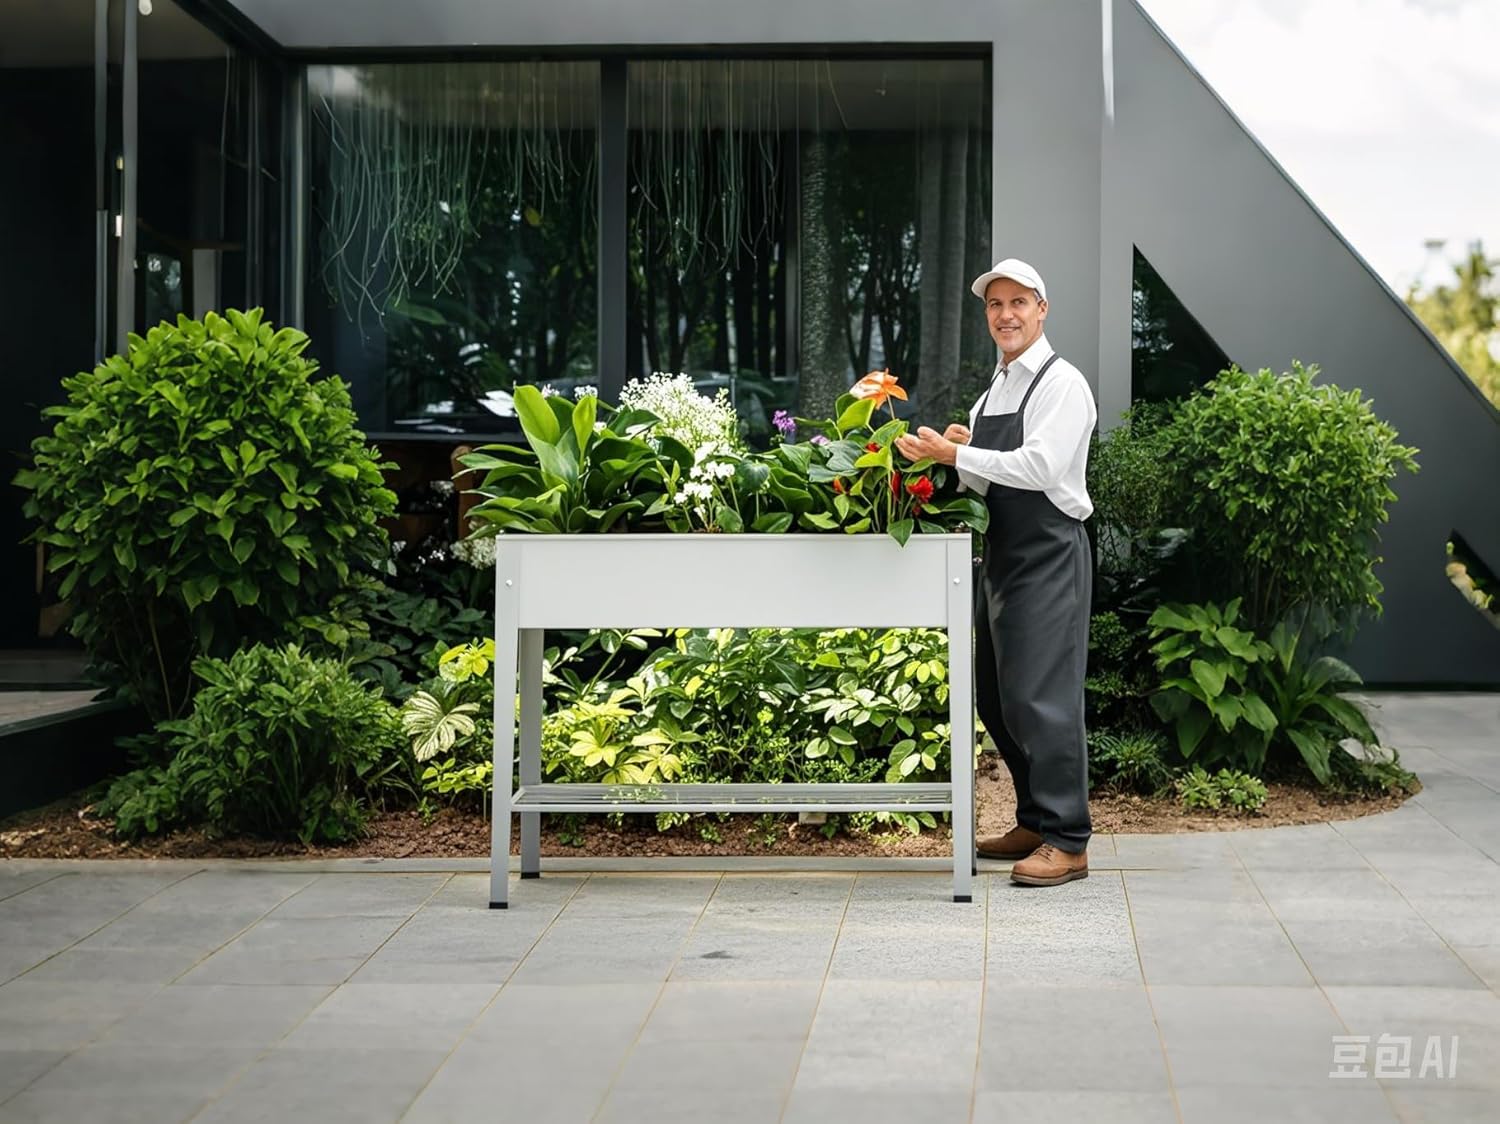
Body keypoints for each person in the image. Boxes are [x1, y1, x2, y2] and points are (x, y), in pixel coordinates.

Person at [894, 258, 1096, 886]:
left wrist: (959, 451)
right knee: (997, 696)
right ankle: (1035, 821)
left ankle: (1068, 839)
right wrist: (948, 454)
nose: (1005, 315)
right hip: (1002, 557)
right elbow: (981, 482)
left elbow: (1040, 467)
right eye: (994, 304)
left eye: (1018, 302)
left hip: (1050, 555)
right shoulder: (994, 391)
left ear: (1042, 309)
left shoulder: (1063, 384)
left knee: (1043, 699)